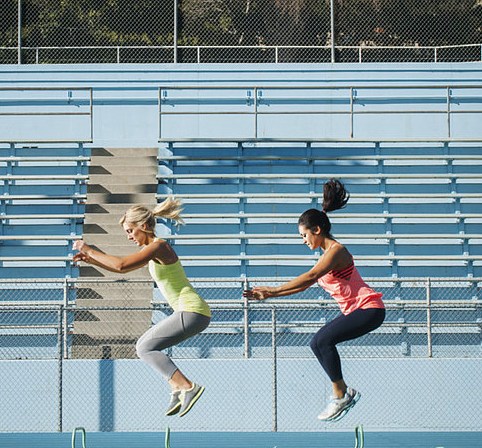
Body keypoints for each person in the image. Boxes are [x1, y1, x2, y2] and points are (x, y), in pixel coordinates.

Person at [243, 179, 385, 422]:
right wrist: (269, 295)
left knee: (322, 339)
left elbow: (310, 276)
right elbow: (306, 284)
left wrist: (274, 289)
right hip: (356, 311)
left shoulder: (336, 251)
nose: (303, 241)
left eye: (304, 235)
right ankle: (341, 393)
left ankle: (340, 394)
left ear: (317, 230)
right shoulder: (325, 258)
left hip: (369, 309)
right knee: (317, 343)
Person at [72, 197, 210, 418]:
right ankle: (177, 387)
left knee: (144, 347)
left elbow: (122, 264)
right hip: (192, 313)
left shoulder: (159, 246)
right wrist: (93, 261)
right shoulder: (154, 250)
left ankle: (186, 387)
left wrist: (88, 249)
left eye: (130, 231)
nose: (129, 237)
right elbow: (121, 269)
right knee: (146, 347)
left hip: (192, 311)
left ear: (144, 227)